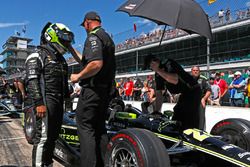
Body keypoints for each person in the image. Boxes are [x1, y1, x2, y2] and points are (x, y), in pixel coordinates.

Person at [69, 11, 116, 167]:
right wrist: (70, 49)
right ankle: (104, 163)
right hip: (104, 92)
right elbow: (86, 61)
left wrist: (79, 76)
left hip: (92, 91)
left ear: (88, 22)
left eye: (84, 25)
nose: (84, 28)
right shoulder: (107, 37)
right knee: (100, 128)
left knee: (84, 127)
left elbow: (95, 64)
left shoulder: (93, 37)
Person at [25, 22, 74, 167]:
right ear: (51, 35)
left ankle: (47, 163)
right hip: (45, 102)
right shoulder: (36, 54)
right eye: (64, 39)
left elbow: (64, 84)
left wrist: (67, 100)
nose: (66, 42)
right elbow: (32, 80)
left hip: (58, 104)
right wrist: (39, 103)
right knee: (42, 138)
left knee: (53, 138)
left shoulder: (61, 59)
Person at [145, 55, 202, 130]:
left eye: (150, 66)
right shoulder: (158, 74)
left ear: (154, 62)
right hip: (184, 93)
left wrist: (158, 70)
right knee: (177, 113)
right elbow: (159, 94)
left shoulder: (168, 63)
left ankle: (192, 134)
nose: (151, 68)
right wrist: (157, 111)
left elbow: (175, 79)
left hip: (193, 90)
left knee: (188, 116)